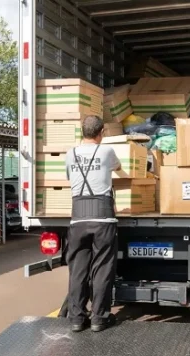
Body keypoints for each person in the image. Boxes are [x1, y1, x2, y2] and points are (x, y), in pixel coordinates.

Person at [65, 115, 121, 333]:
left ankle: (77, 319)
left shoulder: (70, 154)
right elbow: (118, 167)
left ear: (82, 131)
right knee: (101, 269)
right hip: (103, 218)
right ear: (102, 132)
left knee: (78, 270)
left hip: (78, 218)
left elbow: (70, 177)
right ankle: (99, 319)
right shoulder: (106, 152)